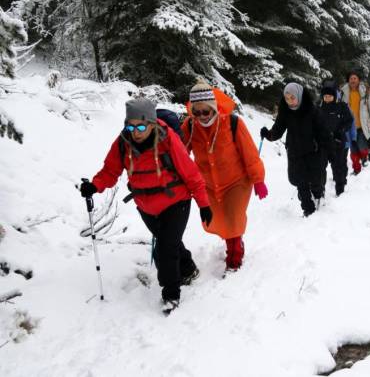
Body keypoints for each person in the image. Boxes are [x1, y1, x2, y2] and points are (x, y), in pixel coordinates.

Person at [79, 98, 211, 315]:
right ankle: (188, 269)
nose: (135, 132)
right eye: (130, 126)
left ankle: (171, 294)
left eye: (140, 126)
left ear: (152, 123)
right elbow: (110, 172)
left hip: (177, 202)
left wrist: (204, 205)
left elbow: (192, 174)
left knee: (165, 249)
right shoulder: (122, 143)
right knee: (170, 242)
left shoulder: (168, 140)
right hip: (146, 207)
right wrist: (94, 186)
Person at [181, 80, 267, 273]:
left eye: (206, 111)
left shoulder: (233, 123)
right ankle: (232, 242)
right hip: (208, 184)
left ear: (213, 107)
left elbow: (250, 154)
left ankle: (235, 256)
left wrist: (258, 179)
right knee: (219, 219)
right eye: (197, 112)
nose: (202, 116)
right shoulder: (190, 126)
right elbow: (179, 154)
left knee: (233, 218)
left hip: (237, 181)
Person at [260, 83, 331, 217]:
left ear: (299, 95)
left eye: (292, 98)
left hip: (313, 151)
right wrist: (268, 134)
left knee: (316, 180)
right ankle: (308, 209)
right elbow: (278, 129)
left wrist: (327, 149)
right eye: (287, 98)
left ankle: (318, 193)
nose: (289, 101)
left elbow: (323, 131)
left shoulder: (313, 111)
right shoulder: (285, 111)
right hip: (295, 151)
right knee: (300, 180)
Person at [339, 71, 370, 174]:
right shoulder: (343, 93)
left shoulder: (366, 92)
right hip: (349, 127)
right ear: (348, 81)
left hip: (363, 125)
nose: (353, 80)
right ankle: (356, 169)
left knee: (362, 145)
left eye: (355, 78)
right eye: (351, 79)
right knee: (353, 150)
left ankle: (365, 161)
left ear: (358, 80)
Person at [319, 80, 354, 196]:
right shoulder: (318, 108)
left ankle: (340, 190)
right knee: (320, 167)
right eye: (325, 96)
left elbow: (349, 120)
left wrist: (341, 130)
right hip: (323, 143)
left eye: (329, 96)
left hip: (338, 142)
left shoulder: (341, 106)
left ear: (334, 96)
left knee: (339, 166)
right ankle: (320, 191)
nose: (327, 98)